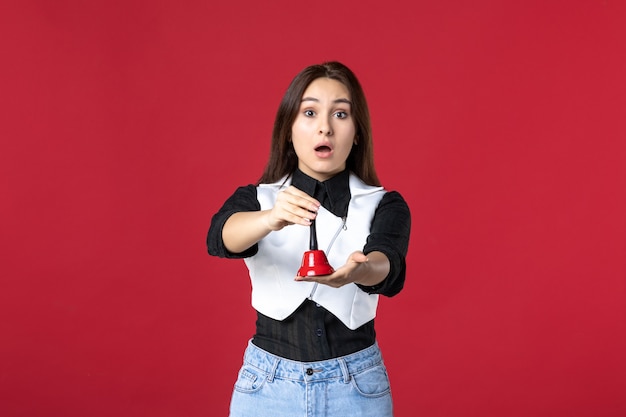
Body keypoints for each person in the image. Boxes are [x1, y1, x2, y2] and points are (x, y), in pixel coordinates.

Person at [207, 61, 411, 417]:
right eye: (310, 112)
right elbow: (221, 237)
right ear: (288, 129)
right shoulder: (258, 199)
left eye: (341, 114)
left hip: (358, 388)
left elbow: (387, 265)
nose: (325, 128)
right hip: (267, 387)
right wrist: (269, 219)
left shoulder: (384, 203)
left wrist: (358, 272)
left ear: (357, 132)